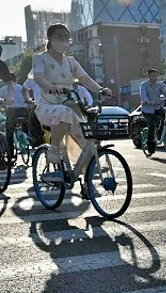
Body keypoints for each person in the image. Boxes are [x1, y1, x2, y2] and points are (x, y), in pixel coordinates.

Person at [30, 23, 109, 186]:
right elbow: (38, 78)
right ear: (50, 38)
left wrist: (100, 89)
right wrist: (50, 87)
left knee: (87, 144)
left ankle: (87, 185)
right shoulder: (40, 59)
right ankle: (53, 149)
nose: (65, 41)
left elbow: (85, 79)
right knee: (63, 111)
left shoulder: (71, 61)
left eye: (67, 37)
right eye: (60, 37)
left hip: (70, 105)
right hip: (47, 108)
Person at [0, 73, 31, 161]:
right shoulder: (22, 87)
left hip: (12, 112)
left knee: (9, 132)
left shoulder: (4, 89)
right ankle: (27, 137)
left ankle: (11, 153)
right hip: (24, 111)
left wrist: (2, 104)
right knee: (26, 123)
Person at [139, 68, 166, 151]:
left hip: (157, 108)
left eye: (155, 76)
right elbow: (143, 97)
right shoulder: (144, 85)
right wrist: (149, 102)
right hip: (147, 110)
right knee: (152, 125)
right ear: (148, 76)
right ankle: (150, 146)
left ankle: (159, 134)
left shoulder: (159, 85)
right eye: (152, 76)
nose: (154, 78)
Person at [22, 74, 46, 148]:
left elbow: (24, 89)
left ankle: (38, 141)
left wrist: (28, 99)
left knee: (33, 121)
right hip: (57, 104)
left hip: (39, 106)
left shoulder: (34, 75)